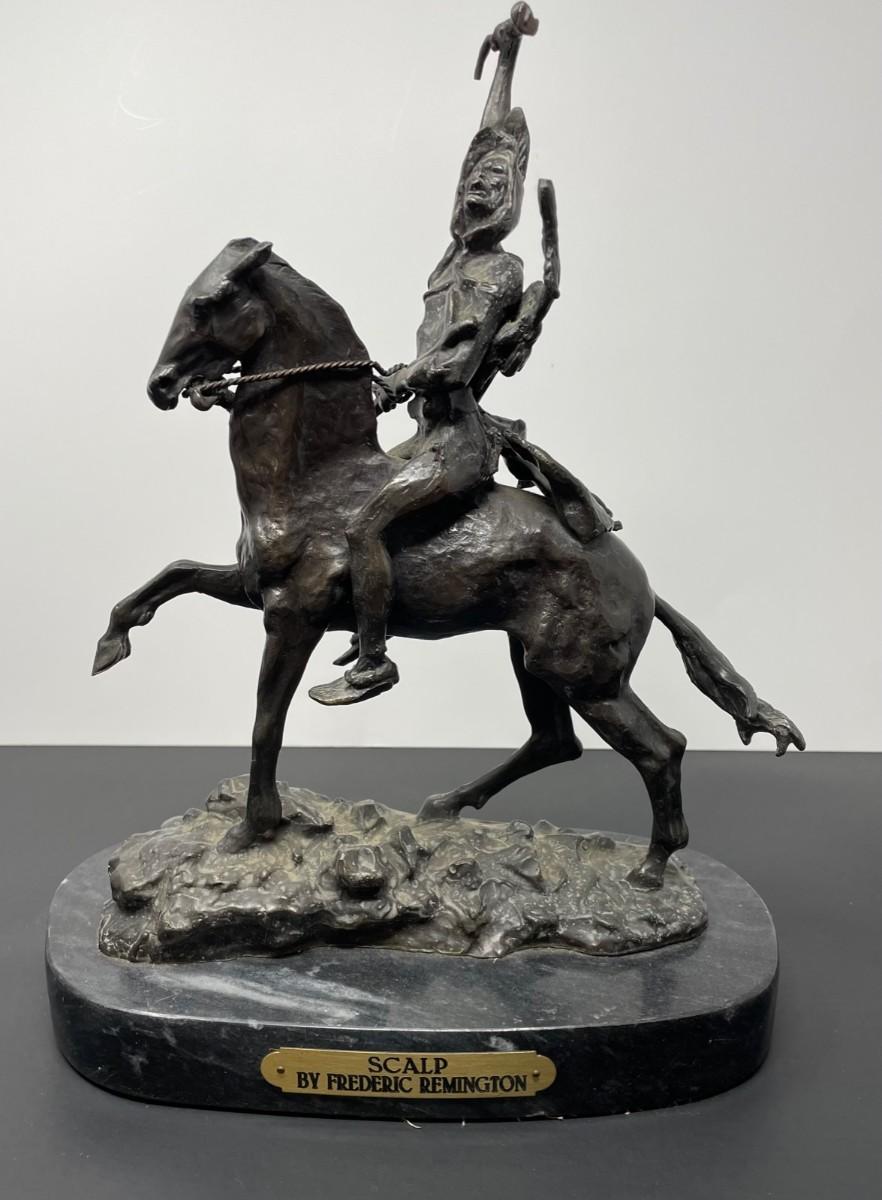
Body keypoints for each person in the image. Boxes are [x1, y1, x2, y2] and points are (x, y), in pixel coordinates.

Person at [310, 5, 559, 706]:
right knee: (340, 501)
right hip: (425, 435)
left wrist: (401, 378)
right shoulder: (452, 258)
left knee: (365, 522)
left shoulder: (499, 270)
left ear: (510, 201)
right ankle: (369, 607)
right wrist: (507, 56)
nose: (479, 185)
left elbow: (453, 365)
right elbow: (489, 138)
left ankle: (374, 660)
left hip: (457, 444)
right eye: (473, 179)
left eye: (495, 183)